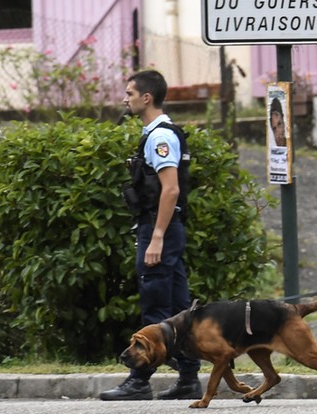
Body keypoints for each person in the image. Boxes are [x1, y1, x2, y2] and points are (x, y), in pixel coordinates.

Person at [100, 70, 202, 401]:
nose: (125, 98)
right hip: (165, 227)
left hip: (160, 227)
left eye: (130, 93)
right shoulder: (156, 133)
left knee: (156, 306)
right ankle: (188, 378)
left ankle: (139, 380)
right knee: (178, 309)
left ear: (147, 98)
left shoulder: (160, 137)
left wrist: (156, 236)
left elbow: (170, 190)